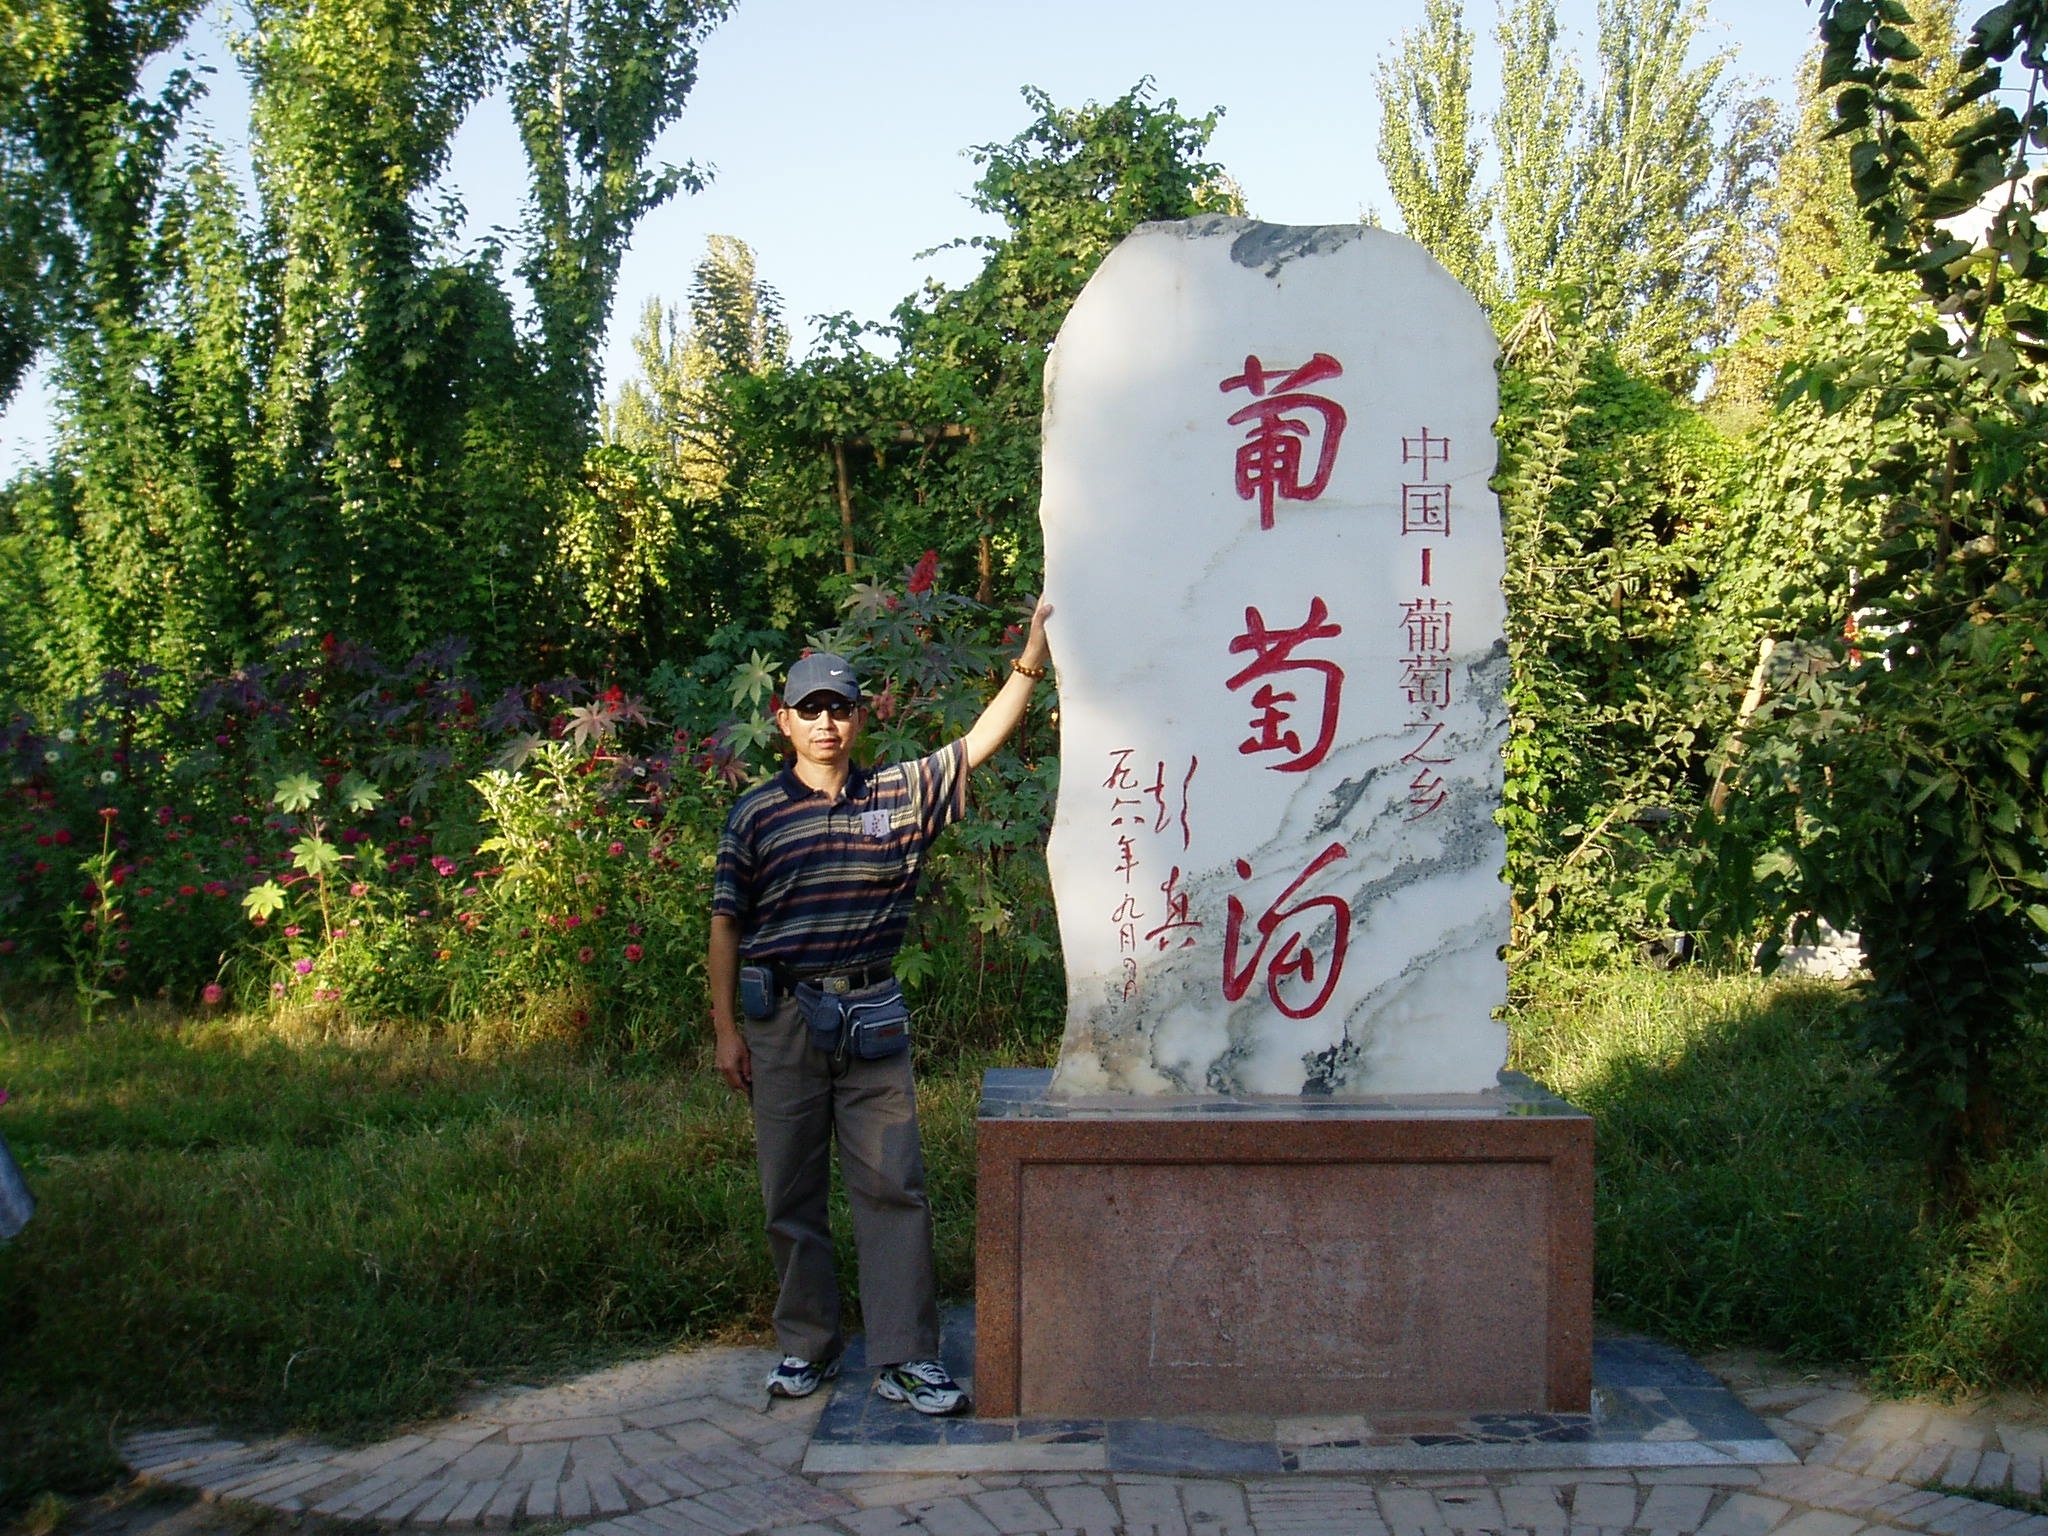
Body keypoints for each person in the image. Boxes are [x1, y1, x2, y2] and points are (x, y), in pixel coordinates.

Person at [708, 602, 1053, 1416]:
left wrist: (1032, 656)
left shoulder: (901, 793)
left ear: (861, 718)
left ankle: (906, 1358)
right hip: (782, 1019)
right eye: (811, 709)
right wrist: (726, 1030)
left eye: (841, 707)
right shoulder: (755, 813)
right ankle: (808, 1347)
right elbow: (725, 923)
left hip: (871, 1018)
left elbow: (980, 742)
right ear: (784, 721)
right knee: (788, 1192)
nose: (827, 723)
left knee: (894, 1185)